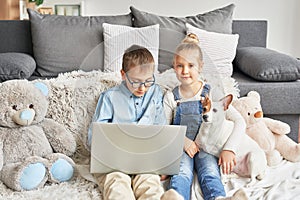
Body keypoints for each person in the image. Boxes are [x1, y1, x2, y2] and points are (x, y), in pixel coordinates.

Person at [88, 45, 181, 200]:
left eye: (148, 81)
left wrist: (163, 162)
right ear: (123, 75)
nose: (143, 88)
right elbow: (95, 137)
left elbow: (161, 129)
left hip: (145, 158)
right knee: (116, 182)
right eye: (136, 82)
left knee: (149, 181)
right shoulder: (109, 97)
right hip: (114, 161)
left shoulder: (156, 93)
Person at [163, 33, 248, 200]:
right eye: (180, 65)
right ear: (174, 67)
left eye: (191, 65)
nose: (185, 71)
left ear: (200, 66)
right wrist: (183, 141)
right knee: (181, 173)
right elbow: (163, 127)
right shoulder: (171, 97)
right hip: (182, 148)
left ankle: (219, 198)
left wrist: (229, 149)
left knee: (210, 173)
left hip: (209, 148)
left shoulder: (213, 93)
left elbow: (239, 121)